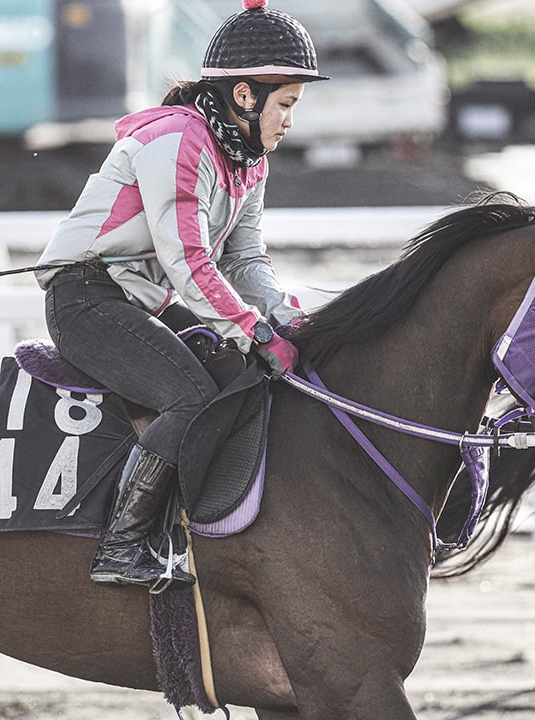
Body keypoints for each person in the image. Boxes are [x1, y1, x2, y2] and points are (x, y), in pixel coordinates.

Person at [35, 0, 328, 591]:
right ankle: (121, 547)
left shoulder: (247, 159)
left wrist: (288, 319)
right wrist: (253, 330)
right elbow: (189, 262)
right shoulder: (179, 139)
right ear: (245, 96)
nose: (290, 121)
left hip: (140, 299)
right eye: (286, 104)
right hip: (86, 298)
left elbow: (245, 261)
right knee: (191, 398)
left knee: (237, 375)